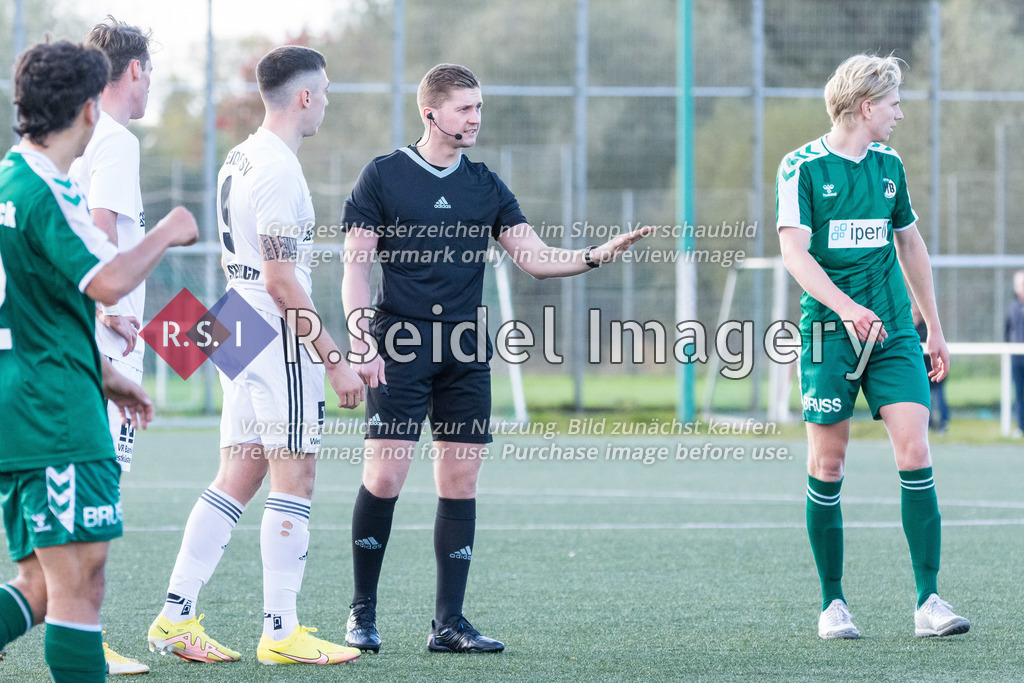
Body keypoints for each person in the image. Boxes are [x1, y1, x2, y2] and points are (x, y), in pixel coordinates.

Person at [340, 63, 652, 654]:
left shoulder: (485, 184)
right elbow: (355, 267)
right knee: (385, 475)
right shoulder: (382, 176)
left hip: (464, 349)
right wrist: (362, 341)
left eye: (479, 107)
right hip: (398, 345)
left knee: (460, 477)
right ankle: (362, 613)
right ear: (430, 113)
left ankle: (448, 624)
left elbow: (533, 258)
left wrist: (593, 256)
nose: (476, 118)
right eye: (464, 109)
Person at [147, 45, 365, 667]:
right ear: (303, 97)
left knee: (238, 474)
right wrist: (333, 356)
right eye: (322, 91)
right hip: (273, 332)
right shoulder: (277, 171)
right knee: (296, 475)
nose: (325, 100)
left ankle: (175, 616)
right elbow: (280, 279)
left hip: (233, 321)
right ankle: (281, 631)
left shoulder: (241, 157)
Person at [0, 40, 197, 683]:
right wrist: (168, 230)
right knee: (79, 581)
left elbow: (37, 303)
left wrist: (107, 376)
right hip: (53, 411)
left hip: (42, 394)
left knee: (40, 581)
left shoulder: (11, 178)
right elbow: (108, 280)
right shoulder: (44, 187)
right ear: (88, 109)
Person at [776, 53, 969, 640]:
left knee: (915, 454)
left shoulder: (889, 166)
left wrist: (932, 325)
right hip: (830, 337)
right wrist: (845, 308)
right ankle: (833, 605)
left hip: (893, 336)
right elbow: (795, 253)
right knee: (828, 465)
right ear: (865, 107)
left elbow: (910, 246)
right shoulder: (801, 168)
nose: (899, 114)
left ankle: (929, 601)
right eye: (892, 104)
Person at [68, 16, 155, 675]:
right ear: (133, 72)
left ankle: (76, 633)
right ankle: (81, 639)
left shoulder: (79, 136)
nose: (151, 84)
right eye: (149, 71)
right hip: (108, 341)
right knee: (99, 496)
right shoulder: (117, 141)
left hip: (88, 335)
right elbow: (98, 228)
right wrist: (108, 305)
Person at [912, 302, 949, 433]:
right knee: (925, 400)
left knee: (939, 398)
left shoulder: (927, 329)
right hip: (924, 372)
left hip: (935, 370)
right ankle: (929, 424)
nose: (914, 316)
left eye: (916, 313)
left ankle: (944, 423)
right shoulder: (911, 328)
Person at [1004, 270, 1024, 437]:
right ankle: (1021, 426)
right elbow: (1007, 330)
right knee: (1019, 392)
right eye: (1020, 284)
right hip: (1017, 358)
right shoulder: (1012, 307)